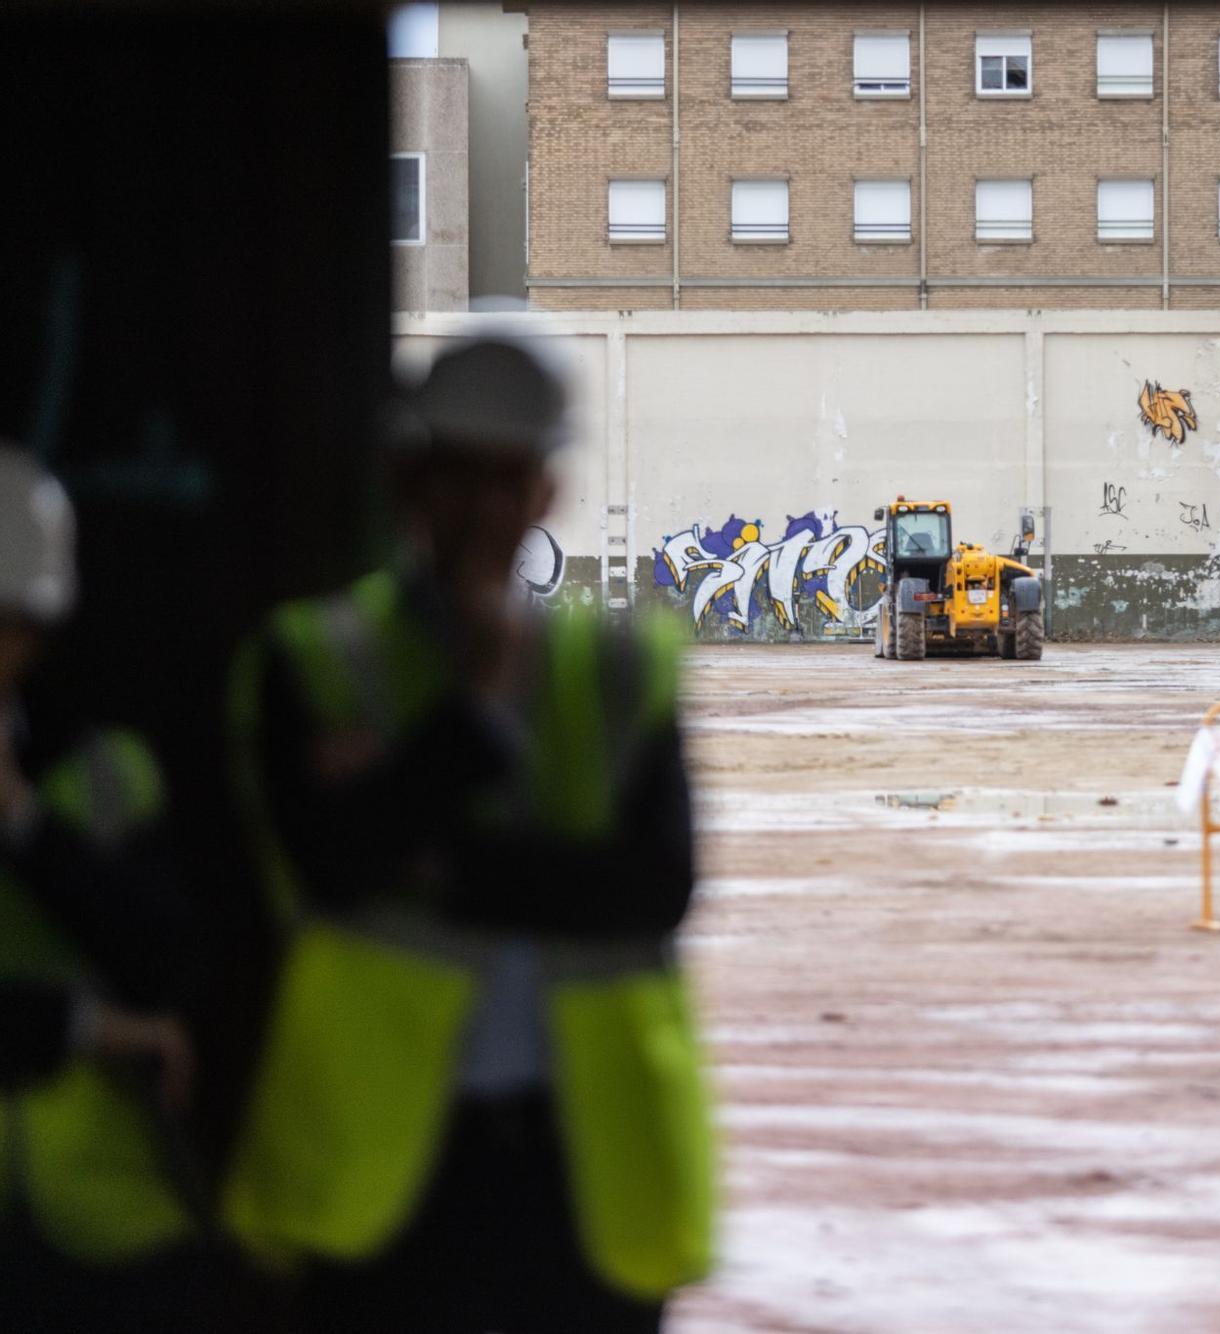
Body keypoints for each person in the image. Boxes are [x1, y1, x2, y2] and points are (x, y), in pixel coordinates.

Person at [221, 338, 713, 1333]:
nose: (485, 509)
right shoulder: (316, 658)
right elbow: (333, 865)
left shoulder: (620, 668)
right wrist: (477, 713)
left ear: (545, 490)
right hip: (387, 1180)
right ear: (408, 481)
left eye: (508, 477)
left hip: (587, 1171)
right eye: (458, 477)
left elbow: (655, 886)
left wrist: (430, 854)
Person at [0, 445, 213, 1332]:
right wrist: (88, 1031)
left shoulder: (102, 771)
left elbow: (164, 959)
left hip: (104, 1229)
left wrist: (23, 821)